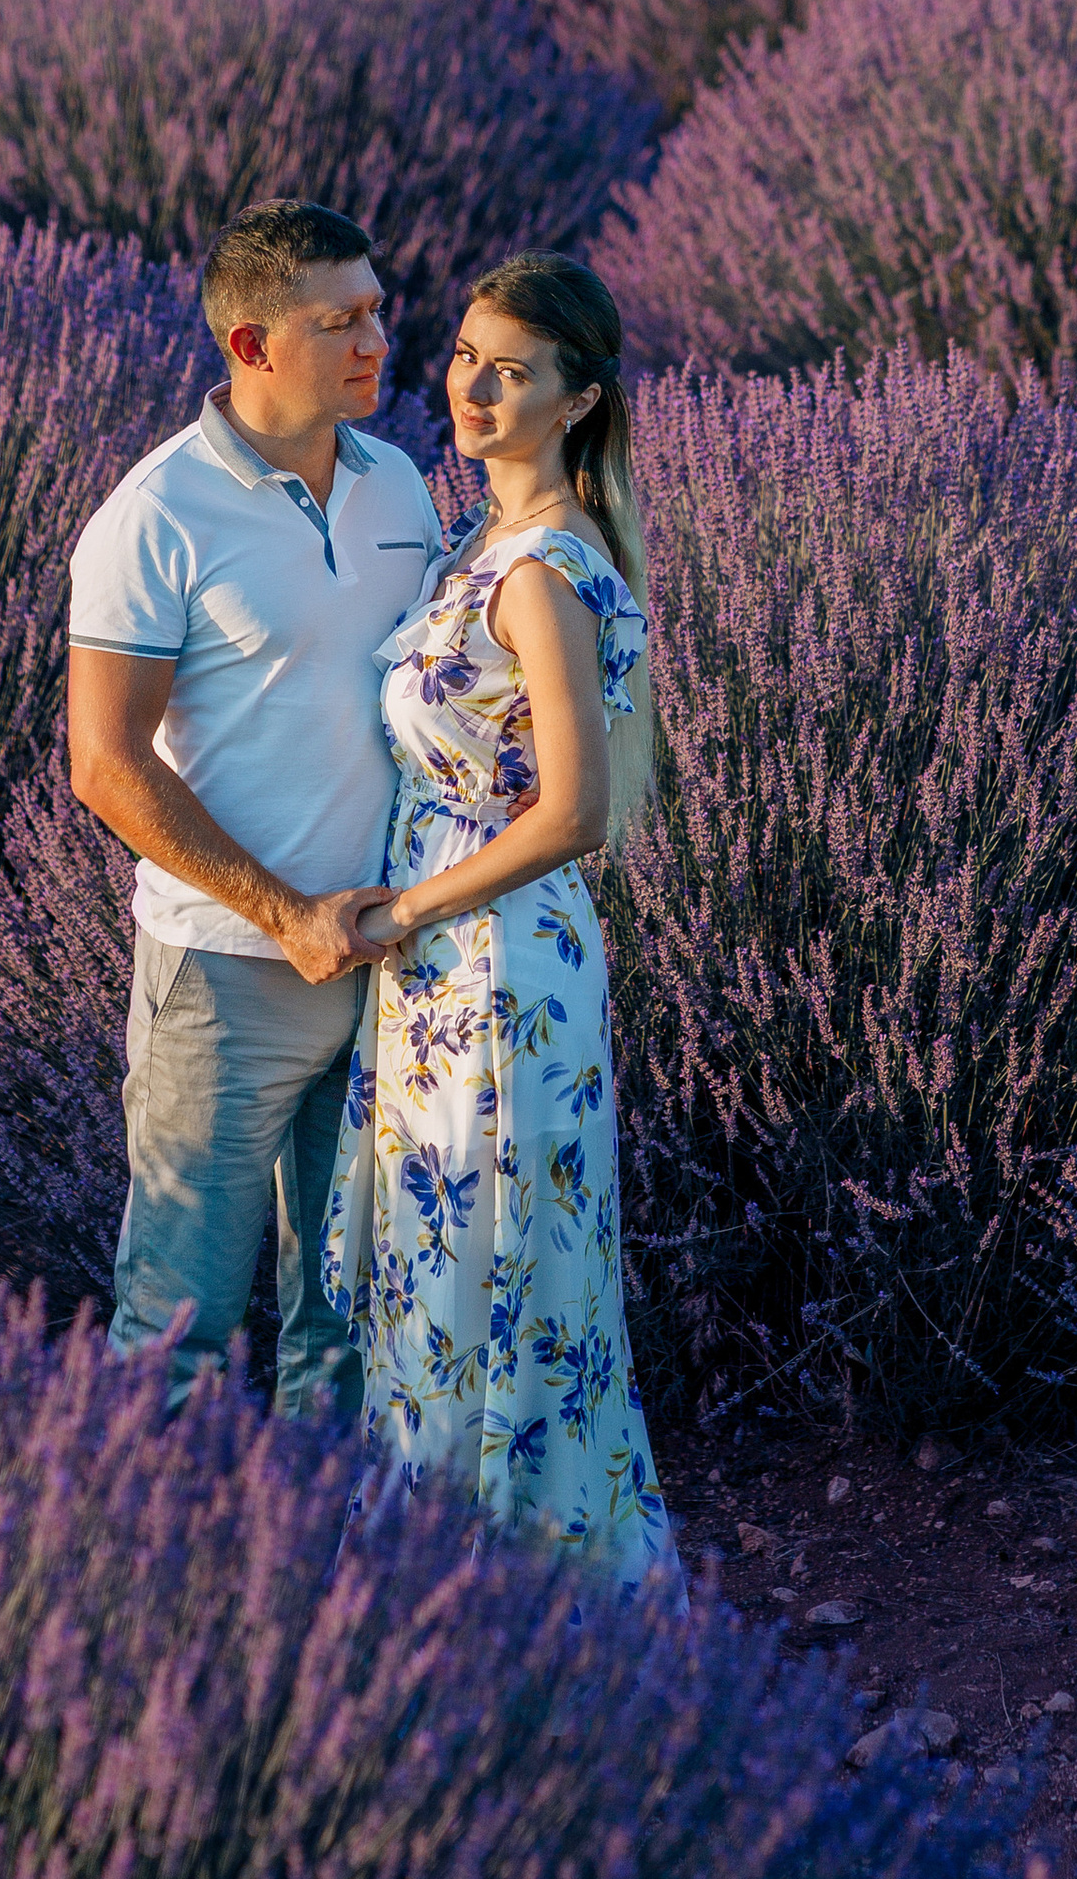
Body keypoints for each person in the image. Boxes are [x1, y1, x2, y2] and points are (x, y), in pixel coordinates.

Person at [322, 252, 678, 1597]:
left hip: (493, 966)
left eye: (511, 372)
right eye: (468, 355)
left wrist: (405, 908)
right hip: (450, 964)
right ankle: (457, 1586)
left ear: (575, 401)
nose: (472, 387)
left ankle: (510, 1600)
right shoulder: (476, 540)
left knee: (487, 1264)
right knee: (449, 1263)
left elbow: (576, 812)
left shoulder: (537, 570)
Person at [65, 200, 441, 1417]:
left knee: (352, 1319)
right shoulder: (155, 515)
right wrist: (287, 914)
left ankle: (325, 1540)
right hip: (224, 979)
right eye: (340, 322)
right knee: (178, 1326)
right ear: (251, 345)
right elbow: (104, 764)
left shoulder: (399, 486)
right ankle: (147, 1542)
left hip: (387, 960)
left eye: (376, 310)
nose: (377, 340)